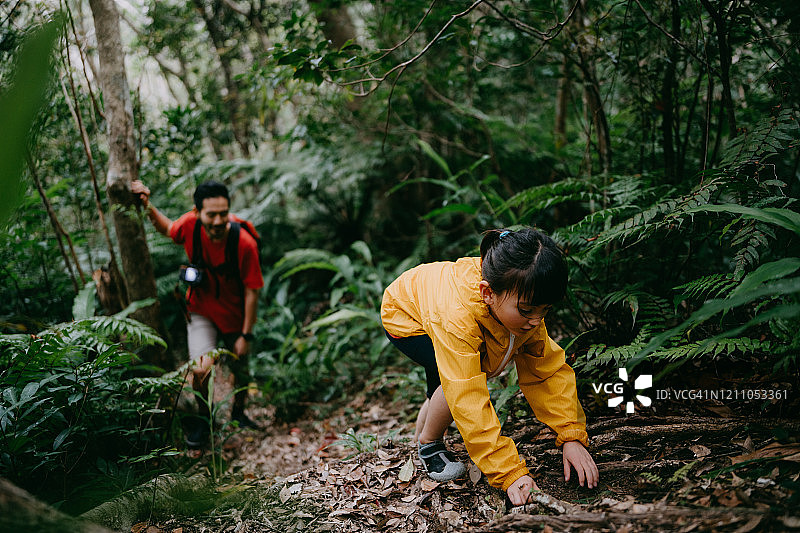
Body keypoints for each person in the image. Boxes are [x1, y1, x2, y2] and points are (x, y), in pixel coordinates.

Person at [380, 227, 598, 505]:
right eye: (527, 310)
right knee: (458, 379)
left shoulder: (518, 296)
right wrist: (509, 472)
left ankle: (421, 432)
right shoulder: (457, 318)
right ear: (487, 293)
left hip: (433, 306)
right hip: (404, 315)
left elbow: (546, 373)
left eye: (545, 310)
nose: (536, 320)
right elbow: (466, 393)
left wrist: (570, 435)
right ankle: (428, 444)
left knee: (452, 377)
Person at [132, 179, 264, 448]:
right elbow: (168, 229)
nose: (218, 221)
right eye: (211, 214)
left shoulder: (244, 243)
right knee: (201, 371)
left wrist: (246, 335)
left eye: (223, 214)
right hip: (201, 310)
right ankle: (205, 422)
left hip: (235, 316)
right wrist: (147, 206)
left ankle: (239, 413)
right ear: (197, 212)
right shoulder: (190, 226)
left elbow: (253, 291)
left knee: (241, 367)